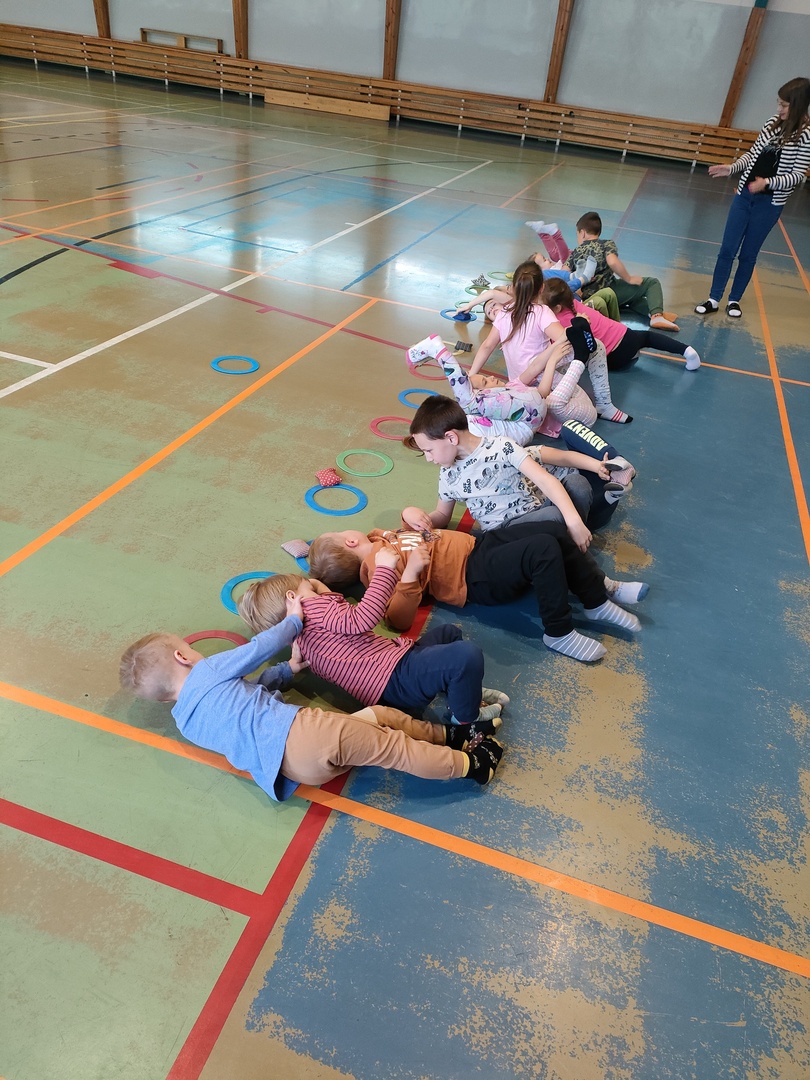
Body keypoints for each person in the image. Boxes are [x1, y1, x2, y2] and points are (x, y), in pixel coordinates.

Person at [118, 617, 505, 791]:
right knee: (395, 749)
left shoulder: (187, 721)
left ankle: (448, 735)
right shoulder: (207, 671)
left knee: (382, 717)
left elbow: (248, 693)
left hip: (297, 772)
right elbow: (259, 648)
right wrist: (293, 622)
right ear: (183, 656)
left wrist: (286, 671)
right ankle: (471, 766)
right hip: (305, 734)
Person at [236, 548, 509, 734]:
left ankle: (459, 691)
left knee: (447, 634)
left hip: (387, 686)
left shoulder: (299, 640)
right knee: (466, 655)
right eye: (309, 586)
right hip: (395, 677)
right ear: (293, 598)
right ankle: (466, 717)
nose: (316, 588)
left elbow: (339, 619)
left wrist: (315, 589)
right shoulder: (314, 609)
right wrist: (385, 569)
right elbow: (361, 618)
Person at [307, 524, 647, 663]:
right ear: (350, 541)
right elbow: (397, 619)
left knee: (554, 530)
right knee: (542, 549)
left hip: (477, 546)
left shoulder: (380, 539)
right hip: (472, 576)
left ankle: (596, 597)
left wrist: (410, 517)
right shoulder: (376, 567)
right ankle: (558, 631)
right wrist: (409, 575)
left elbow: (414, 533)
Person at [695, 78, 810, 319]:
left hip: (769, 205)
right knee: (727, 249)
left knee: (748, 254)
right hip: (744, 197)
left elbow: (798, 175)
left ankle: (734, 300)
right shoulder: (771, 124)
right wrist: (732, 168)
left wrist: (767, 183)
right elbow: (753, 154)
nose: (779, 109)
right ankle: (714, 298)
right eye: (778, 103)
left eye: (784, 105)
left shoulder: (806, 135)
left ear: (799, 105)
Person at [467, 260, 631, 424]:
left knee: (563, 350)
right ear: (542, 288)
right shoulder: (541, 311)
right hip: (539, 376)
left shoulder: (504, 312)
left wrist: (470, 376)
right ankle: (604, 405)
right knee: (597, 346)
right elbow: (565, 339)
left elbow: (487, 346)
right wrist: (579, 322)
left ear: (514, 287)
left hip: (518, 381)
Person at [406, 330, 597, 443]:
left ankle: (438, 352)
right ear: (485, 396)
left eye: (486, 378)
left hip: (543, 411)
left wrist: (559, 344)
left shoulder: (511, 389)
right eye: (485, 382)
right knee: (467, 405)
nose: (491, 377)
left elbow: (535, 368)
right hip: (536, 416)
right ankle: (437, 351)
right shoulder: (487, 408)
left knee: (468, 403)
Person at [552, 212, 680, 332]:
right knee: (651, 283)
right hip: (610, 290)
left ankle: (650, 311)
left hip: (588, 298)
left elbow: (563, 275)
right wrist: (629, 278)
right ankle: (657, 315)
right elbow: (613, 262)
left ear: (583, 233)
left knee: (632, 298)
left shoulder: (575, 252)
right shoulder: (605, 244)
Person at [541, 278, 701, 372]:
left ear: (557, 308)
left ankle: (632, 355)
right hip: (625, 335)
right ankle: (687, 350)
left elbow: (559, 348)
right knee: (648, 337)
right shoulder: (574, 303)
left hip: (614, 357)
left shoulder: (559, 322)